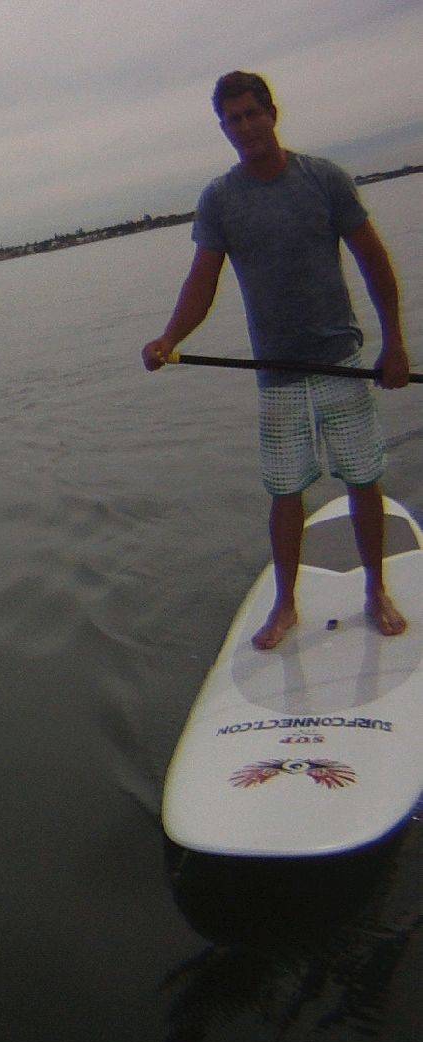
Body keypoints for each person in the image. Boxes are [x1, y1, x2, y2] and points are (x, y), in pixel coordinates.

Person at [142, 71, 410, 650]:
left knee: (364, 479)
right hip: (277, 375)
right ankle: (285, 604)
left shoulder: (323, 179)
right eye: (232, 120)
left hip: (341, 361)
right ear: (224, 129)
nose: (244, 127)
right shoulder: (220, 200)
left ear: (272, 113)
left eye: (251, 114)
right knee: (285, 492)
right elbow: (202, 282)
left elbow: (375, 261)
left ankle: (376, 591)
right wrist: (168, 338)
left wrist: (394, 344)